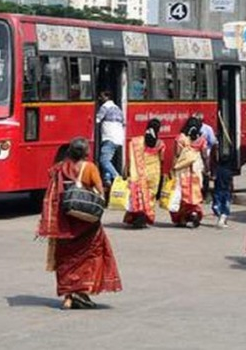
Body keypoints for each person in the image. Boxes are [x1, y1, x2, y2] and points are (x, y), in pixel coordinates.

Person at [36, 137, 122, 310]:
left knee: (66, 259)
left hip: (64, 223)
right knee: (91, 255)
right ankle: (81, 292)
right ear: (86, 153)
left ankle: (68, 296)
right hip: (86, 223)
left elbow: (52, 184)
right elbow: (99, 191)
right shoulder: (89, 168)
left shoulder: (59, 169)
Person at [123, 119, 166, 229]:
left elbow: (132, 159)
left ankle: (137, 216)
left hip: (139, 172)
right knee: (149, 196)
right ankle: (144, 217)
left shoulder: (137, 141)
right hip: (153, 174)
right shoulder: (160, 144)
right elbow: (161, 159)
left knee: (138, 194)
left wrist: (127, 170)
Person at [170, 118, 208, 228]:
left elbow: (177, 155)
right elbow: (205, 156)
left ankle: (182, 218)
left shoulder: (180, 138)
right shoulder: (201, 140)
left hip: (183, 170)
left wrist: (172, 169)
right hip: (196, 170)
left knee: (182, 194)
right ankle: (194, 213)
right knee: (195, 194)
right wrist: (208, 169)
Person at [96, 91, 125, 188]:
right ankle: (107, 179)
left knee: (104, 160)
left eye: (101, 97)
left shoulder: (105, 107)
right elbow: (124, 123)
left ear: (106, 97)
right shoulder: (118, 108)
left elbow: (97, 120)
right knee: (108, 160)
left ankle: (117, 177)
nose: (100, 99)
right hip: (118, 138)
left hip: (109, 137)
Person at [212, 153, 235, 229]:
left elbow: (214, 178)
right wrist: (232, 191)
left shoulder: (217, 170)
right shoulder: (229, 172)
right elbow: (231, 183)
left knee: (217, 204)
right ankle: (223, 218)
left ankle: (220, 216)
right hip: (226, 191)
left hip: (217, 190)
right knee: (225, 205)